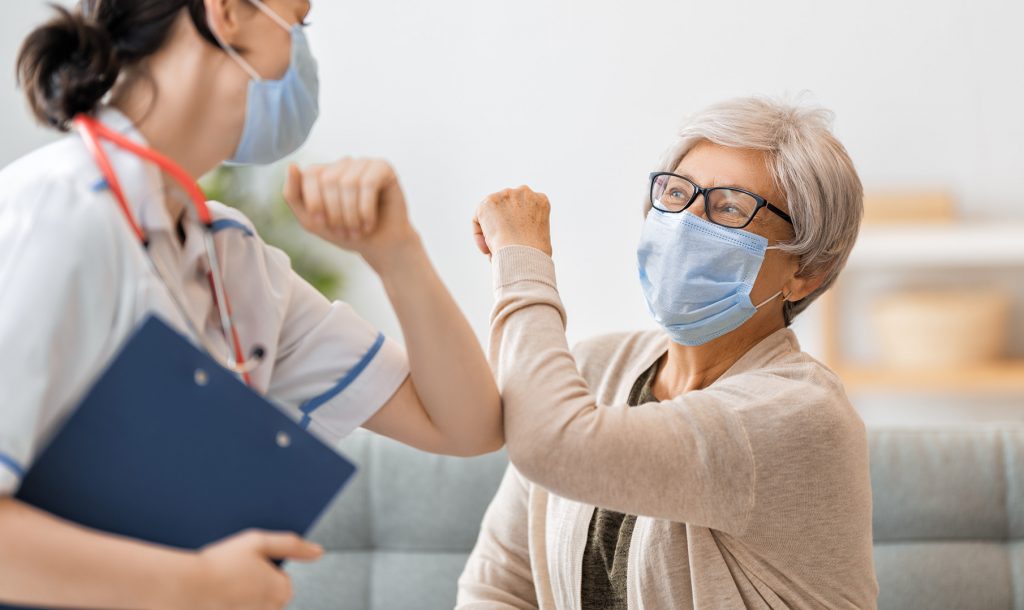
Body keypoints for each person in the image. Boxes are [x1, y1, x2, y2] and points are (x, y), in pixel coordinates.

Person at [0, 1, 501, 609]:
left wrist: (398, 254)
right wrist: (200, 585)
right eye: (299, 21)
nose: (303, 56)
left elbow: (467, 426)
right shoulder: (57, 214)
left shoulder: (228, 256)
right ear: (229, 11)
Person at [459, 97, 878, 609]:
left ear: (805, 270)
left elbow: (553, 445)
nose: (684, 223)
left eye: (728, 207)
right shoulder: (592, 369)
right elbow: (499, 582)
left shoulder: (797, 414)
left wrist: (522, 257)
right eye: (676, 193)